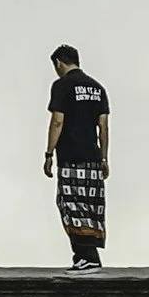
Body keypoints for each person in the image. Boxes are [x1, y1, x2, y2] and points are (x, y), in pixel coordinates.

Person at [43, 44, 109, 269]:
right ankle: (91, 256)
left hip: (71, 155)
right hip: (92, 156)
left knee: (70, 203)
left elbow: (57, 121)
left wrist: (49, 153)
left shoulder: (61, 86)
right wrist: (104, 159)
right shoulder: (98, 88)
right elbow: (103, 127)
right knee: (90, 205)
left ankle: (85, 257)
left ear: (59, 63)